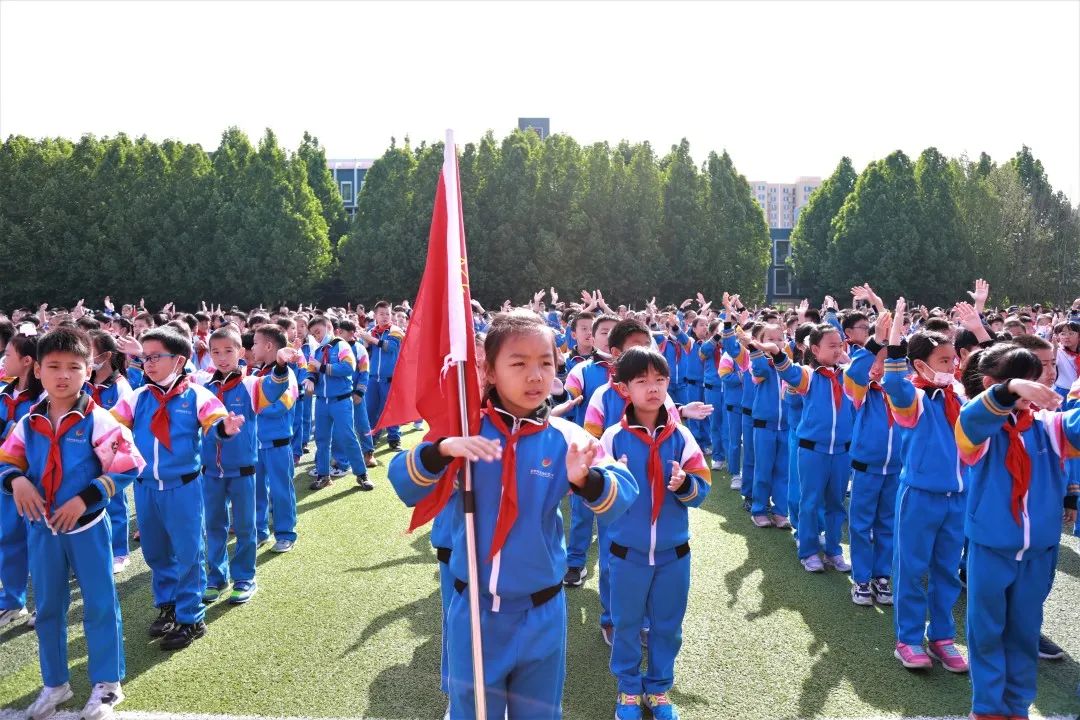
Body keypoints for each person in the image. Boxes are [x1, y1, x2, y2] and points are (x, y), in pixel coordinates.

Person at [387, 310, 637, 719]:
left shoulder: (567, 438)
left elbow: (622, 495)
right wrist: (439, 451)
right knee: (474, 712)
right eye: (519, 364)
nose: (535, 376)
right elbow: (404, 483)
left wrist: (586, 479)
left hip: (542, 613)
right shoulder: (464, 431)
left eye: (545, 362)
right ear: (488, 370)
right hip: (475, 613)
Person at [0, 326, 145, 720]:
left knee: (99, 605)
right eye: (54, 366)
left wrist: (84, 499)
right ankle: (55, 684)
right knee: (47, 608)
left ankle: (107, 687)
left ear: (88, 369)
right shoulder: (29, 422)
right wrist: (17, 481)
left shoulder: (99, 420)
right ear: (39, 371)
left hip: (87, 529)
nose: (63, 375)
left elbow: (129, 465)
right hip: (43, 530)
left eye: (74, 367)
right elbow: (7, 460)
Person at [956, 344, 1078, 719]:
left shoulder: (1049, 427)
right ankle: (988, 708)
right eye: (1028, 378)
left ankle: (1016, 706)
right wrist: (1008, 392)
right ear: (993, 384)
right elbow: (970, 425)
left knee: (1024, 633)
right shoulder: (981, 428)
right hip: (991, 548)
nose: (1039, 383)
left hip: (1038, 553)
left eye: (1039, 375)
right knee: (987, 632)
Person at [109, 327, 243, 651]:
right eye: (144, 357)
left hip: (183, 487)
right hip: (145, 488)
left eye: (156, 357)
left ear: (179, 360)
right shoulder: (138, 397)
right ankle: (168, 606)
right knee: (156, 552)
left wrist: (224, 428)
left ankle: (191, 617)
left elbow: (216, 420)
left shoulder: (196, 395)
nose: (148, 363)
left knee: (188, 553)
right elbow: (109, 424)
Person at [600, 347, 710, 720]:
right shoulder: (613, 438)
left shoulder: (682, 437)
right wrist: (615, 482)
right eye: (642, 381)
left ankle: (659, 688)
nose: (653, 388)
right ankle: (629, 689)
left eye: (660, 380)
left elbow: (702, 489)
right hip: (626, 554)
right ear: (624, 388)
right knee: (626, 624)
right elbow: (595, 498)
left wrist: (683, 484)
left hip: (673, 555)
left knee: (667, 626)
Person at [881, 298, 969, 672]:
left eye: (954, 361)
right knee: (913, 568)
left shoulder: (960, 396)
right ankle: (909, 638)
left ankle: (943, 637)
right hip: (919, 496)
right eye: (944, 362)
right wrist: (896, 340)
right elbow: (894, 384)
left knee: (947, 570)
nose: (953, 367)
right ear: (921, 365)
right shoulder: (914, 397)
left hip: (957, 498)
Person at [198, 327, 297, 605]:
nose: (222, 357)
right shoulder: (202, 385)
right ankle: (216, 578)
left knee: (245, 527)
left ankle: (245, 577)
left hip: (242, 470)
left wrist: (279, 365)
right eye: (215, 352)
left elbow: (274, 389)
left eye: (228, 350)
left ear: (241, 352)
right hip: (211, 472)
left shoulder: (252, 383)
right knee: (214, 526)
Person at [770, 318, 854, 574]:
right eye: (831, 345)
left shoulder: (847, 377)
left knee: (836, 504)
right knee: (810, 501)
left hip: (841, 452)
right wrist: (778, 355)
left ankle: (833, 550)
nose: (838, 350)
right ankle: (807, 550)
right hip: (812, 450)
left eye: (840, 345)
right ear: (815, 350)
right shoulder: (809, 375)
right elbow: (790, 373)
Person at [843, 312, 901, 605]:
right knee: (861, 524)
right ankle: (862, 579)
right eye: (877, 360)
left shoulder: (904, 394)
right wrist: (875, 341)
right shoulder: (863, 391)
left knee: (888, 524)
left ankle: (882, 576)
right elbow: (855, 373)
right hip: (866, 468)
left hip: (896, 471)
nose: (880, 367)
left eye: (886, 360)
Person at [0, 332, 42, 628]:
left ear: (27, 361)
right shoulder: (4, 394)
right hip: (6, 480)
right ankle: (14, 602)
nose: (4, 360)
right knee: (8, 540)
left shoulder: (44, 399)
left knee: (40, 543)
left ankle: (47, 603)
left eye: (9, 355)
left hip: (35, 482)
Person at [85, 331, 136, 574]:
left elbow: (122, 422)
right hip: (85, 451)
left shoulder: (120, 386)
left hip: (112, 450)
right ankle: (94, 551)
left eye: (89, 350)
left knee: (115, 500)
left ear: (105, 355)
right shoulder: (84, 383)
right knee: (90, 500)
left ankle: (119, 552)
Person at [251, 325, 301, 553]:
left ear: (269, 346)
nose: (251, 348)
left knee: (281, 490)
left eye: (255, 343)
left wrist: (254, 407)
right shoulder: (254, 374)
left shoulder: (286, 374)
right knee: (256, 490)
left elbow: (281, 406)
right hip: (255, 444)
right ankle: (260, 531)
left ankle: (286, 533)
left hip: (278, 443)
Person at [306, 316, 370, 491]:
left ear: (329, 327)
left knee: (348, 437)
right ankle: (323, 475)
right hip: (321, 402)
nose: (316, 336)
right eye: (313, 334)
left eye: (318, 332)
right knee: (322, 439)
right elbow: (311, 369)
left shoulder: (341, 345)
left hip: (341, 400)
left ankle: (362, 475)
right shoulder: (316, 350)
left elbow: (349, 367)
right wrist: (310, 379)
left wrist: (322, 367)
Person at [359, 301, 404, 451]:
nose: (385, 316)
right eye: (381, 314)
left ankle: (394, 438)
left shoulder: (395, 330)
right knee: (371, 409)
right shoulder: (371, 330)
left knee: (390, 409)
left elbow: (390, 347)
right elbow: (364, 350)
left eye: (387, 313)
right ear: (375, 315)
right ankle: (372, 436)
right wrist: (363, 339)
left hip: (389, 379)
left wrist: (370, 339)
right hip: (372, 378)